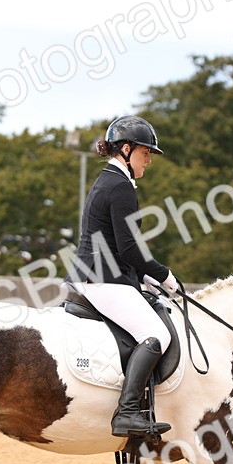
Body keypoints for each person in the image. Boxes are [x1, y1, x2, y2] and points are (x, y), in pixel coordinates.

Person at [66, 115, 180, 438]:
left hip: (102, 273)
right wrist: (164, 275)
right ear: (126, 150)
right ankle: (127, 412)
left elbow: (116, 245)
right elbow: (130, 248)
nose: (149, 161)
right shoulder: (120, 186)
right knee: (157, 334)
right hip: (101, 278)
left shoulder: (110, 181)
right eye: (146, 153)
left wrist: (143, 280)